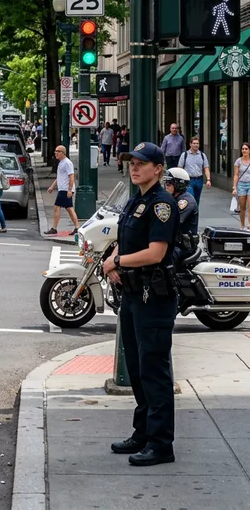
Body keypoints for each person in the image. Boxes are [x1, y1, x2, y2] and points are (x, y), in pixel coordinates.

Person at [102, 142, 179, 467]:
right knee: (136, 369)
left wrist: (118, 260)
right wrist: (115, 260)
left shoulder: (162, 204)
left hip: (154, 298)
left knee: (153, 371)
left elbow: (156, 252)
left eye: (141, 163)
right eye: (131, 162)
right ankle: (143, 432)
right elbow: (127, 238)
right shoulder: (138, 199)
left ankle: (161, 444)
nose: (134, 167)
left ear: (158, 168)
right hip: (134, 295)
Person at [47, 144, 80, 237]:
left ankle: (54, 228)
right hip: (63, 189)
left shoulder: (67, 163)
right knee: (69, 209)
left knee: (57, 207)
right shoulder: (61, 163)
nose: (55, 153)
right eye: (55, 151)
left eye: (57, 151)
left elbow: (71, 176)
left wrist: (69, 190)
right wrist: (52, 186)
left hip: (65, 189)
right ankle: (77, 227)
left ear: (63, 153)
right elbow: (59, 177)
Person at [163, 167, 198, 247]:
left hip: (184, 247)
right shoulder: (172, 198)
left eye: (169, 184)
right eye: (166, 184)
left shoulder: (185, 201)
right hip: (174, 242)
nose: (166, 187)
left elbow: (173, 222)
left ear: (179, 185)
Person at [177, 136, 211, 205]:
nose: (196, 145)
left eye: (197, 143)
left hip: (199, 180)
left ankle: (195, 214)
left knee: (197, 200)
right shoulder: (184, 155)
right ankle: (190, 214)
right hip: (189, 180)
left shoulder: (202, 155)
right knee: (190, 198)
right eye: (194, 143)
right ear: (190, 144)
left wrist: (208, 179)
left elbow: (206, 168)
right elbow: (180, 168)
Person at [233, 142, 250, 231]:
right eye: (243, 149)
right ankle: (242, 225)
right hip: (241, 185)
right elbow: (236, 174)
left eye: (246, 149)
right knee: (242, 207)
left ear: (249, 150)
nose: (244, 150)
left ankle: (249, 225)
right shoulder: (238, 161)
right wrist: (234, 187)